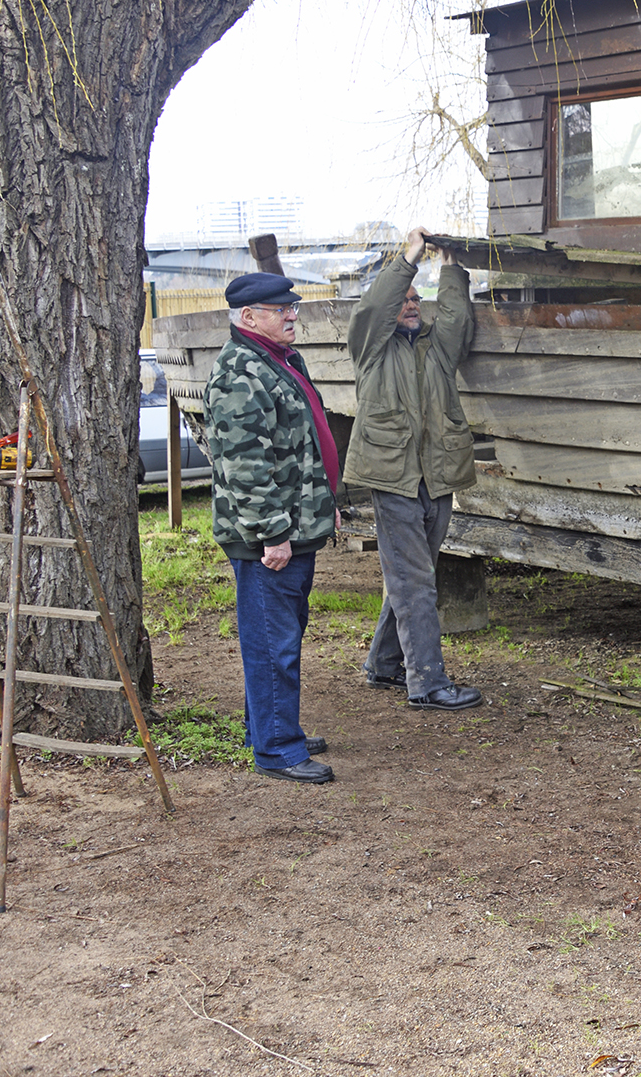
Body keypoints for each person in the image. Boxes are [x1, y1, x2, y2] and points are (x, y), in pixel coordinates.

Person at [205, 273, 341, 783]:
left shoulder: (279, 362)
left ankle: (268, 726)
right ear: (248, 318)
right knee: (272, 644)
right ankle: (278, 749)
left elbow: (306, 446)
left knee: (279, 636)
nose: (291, 315)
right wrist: (272, 534)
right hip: (268, 537)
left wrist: (327, 505)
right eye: (279, 309)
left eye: (292, 307)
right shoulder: (241, 373)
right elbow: (246, 468)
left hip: (294, 525)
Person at [345, 227, 484, 711]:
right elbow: (371, 310)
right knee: (416, 581)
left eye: (415, 297)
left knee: (412, 576)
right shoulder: (371, 349)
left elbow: (456, 318)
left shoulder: (435, 349)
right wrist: (409, 259)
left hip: (437, 476)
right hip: (393, 479)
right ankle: (427, 682)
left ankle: (385, 664)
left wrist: (448, 267)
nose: (409, 303)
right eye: (402, 298)